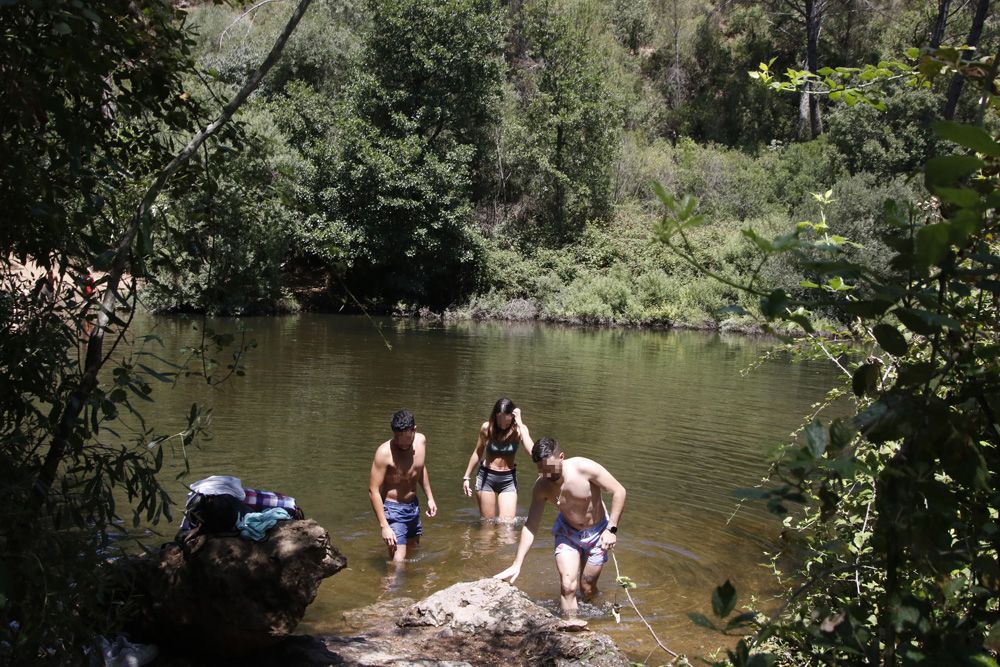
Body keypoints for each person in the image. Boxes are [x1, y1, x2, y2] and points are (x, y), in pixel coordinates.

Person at [494, 437, 626, 616]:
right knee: (567, 586)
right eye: (541, 469)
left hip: (598, 532)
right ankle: (571, 627)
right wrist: (517, 564)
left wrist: (611, 529)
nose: (546, 474)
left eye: (549, 467)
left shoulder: (584, 468)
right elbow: (531, 525)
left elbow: (619, 491)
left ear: (561, 457)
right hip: (567, 532)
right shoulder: (542, 487)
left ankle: (596, 603)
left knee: (586, 588)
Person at [369, 409, 437, 562]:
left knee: (413, 552)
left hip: (413, 507)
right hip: (392, 509)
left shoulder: (421, 441)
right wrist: (384, 526)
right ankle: (389, 586)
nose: (401, 442)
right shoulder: (384, 453)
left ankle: (409, 586)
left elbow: (420, 468)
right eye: (397, 437)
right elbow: (373, 490)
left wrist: (430, 498)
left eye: (405, 438)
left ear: (414, 430)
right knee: (398, 561)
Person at [461, 398, 534, 521]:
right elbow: (478, 452)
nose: (502, 425)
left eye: (506, 421)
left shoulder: (519, 430)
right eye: (499, 420)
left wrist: (521, 424)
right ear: (495, 416)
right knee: (488, 525)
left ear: (513, 416)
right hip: (486, 477)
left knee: (507, 524)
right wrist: (466, 477)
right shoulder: (487, 428)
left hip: (508, 480)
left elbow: (532, 452)